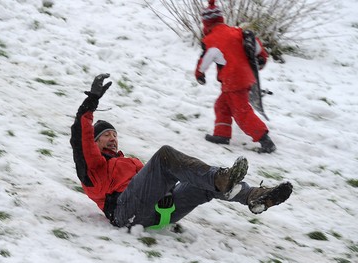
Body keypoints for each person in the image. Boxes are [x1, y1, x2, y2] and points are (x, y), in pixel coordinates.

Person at [70, 73, 293, 229]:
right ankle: (220, 178)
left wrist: (166, 193)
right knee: (165, 156)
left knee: (203, 184)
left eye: (114, 134)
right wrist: (91, 100)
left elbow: (153, 183)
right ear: (94, 143)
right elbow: (80, 136)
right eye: (106, 135)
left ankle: (255, 197)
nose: (112, 138)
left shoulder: (131, 162)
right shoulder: (93, 169)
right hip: (125, 213)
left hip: (159, 212)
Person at [195, 0, 276, 153]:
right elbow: (256, 43)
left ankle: (265, 140)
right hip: (245, 77)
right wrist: (262, 57)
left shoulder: (211, 40)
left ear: (205, 23)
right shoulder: (236, 31)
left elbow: (204, 61)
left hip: (233, 81)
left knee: (242, 112)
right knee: (222, 105)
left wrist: (199, 74)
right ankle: (221, 134)